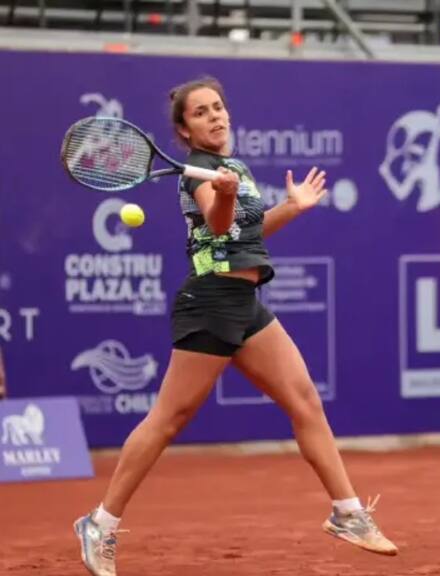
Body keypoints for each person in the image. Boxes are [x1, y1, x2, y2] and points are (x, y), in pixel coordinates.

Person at [74, 77, 397, 576]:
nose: (215, 117)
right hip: (210, 302)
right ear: (185, 130)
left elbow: (247, 233)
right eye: (201, 112)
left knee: (305, 401)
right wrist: (222, 194)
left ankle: (347, 512)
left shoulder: (234, 168)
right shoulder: (199, 173)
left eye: (218, 107)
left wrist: (292, 207)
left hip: (244, 303)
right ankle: (100, 523)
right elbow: (220, 223)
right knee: (168, 419)